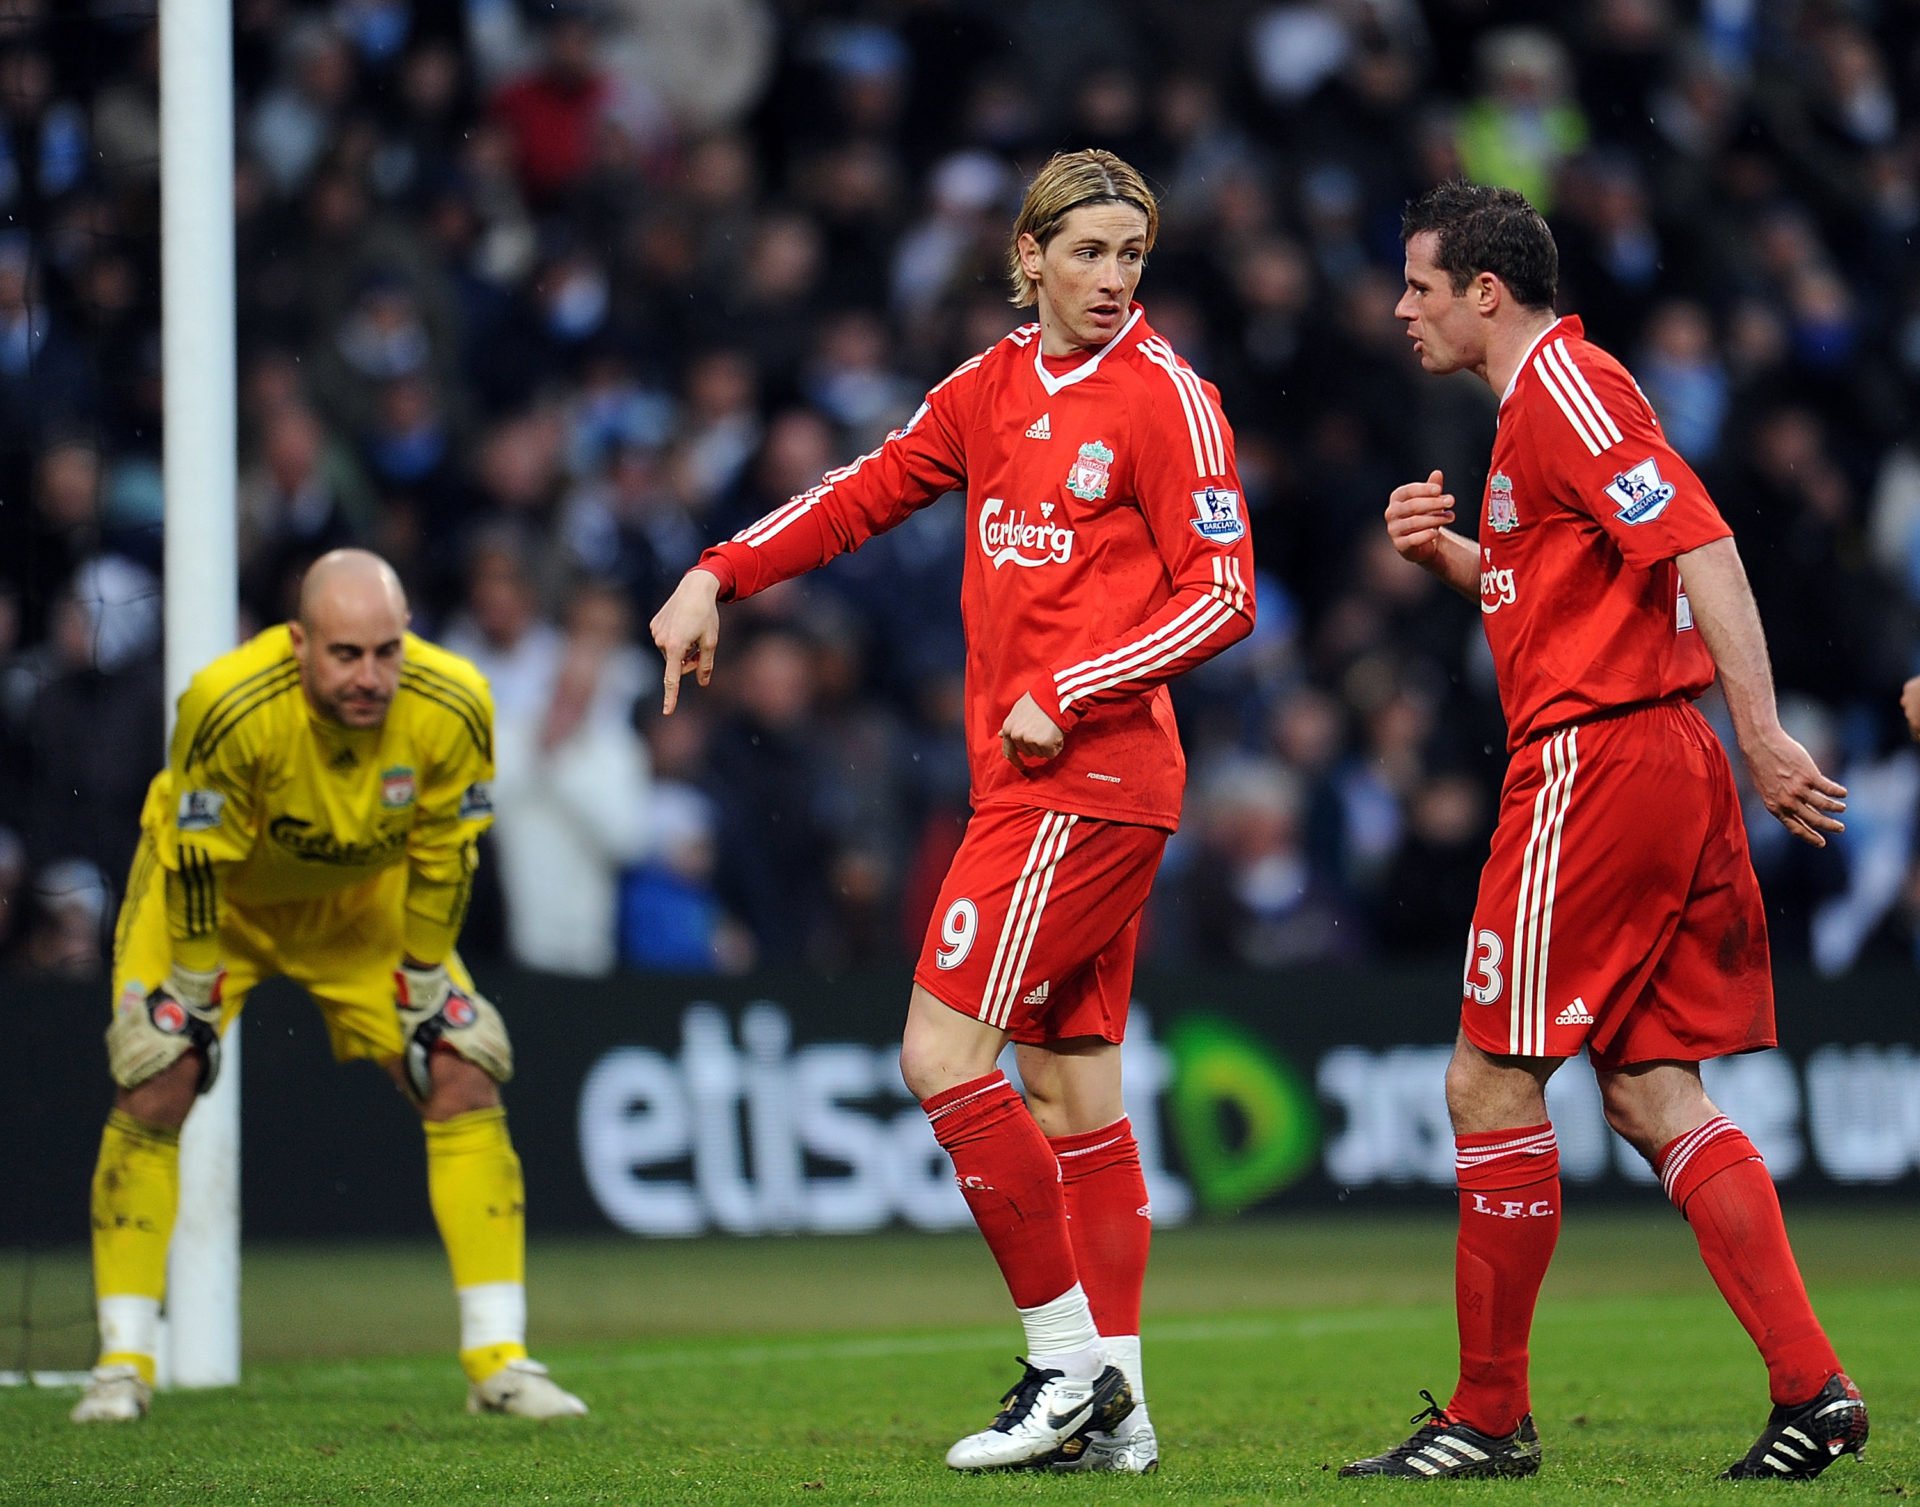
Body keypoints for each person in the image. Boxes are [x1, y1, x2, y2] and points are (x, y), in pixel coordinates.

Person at [650, 148, 1256, 1474]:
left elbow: (1224, 593)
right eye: (1088, 253)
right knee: (1070, 1085)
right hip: (1038, 783)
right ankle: (1122, 1403)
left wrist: (1076, 683)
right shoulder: (986, 391)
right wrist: (717, 573)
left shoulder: (1169, 398)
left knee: (941, 1055)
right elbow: (859, 493)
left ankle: (1060, 1366)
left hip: (1086, 783)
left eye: (1132, 256)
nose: (1112, 280)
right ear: (1027, 256)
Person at [1341, 182, 1865, 1482]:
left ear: (1486, 291)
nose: (1401, 307)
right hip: (1650, 753)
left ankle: (1488, 1412)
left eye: (1419, 284)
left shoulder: (1568, 392)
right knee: (1651, 1089)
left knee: (1487, 1080)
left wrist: (1763, 730)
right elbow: (1569, 585)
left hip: (1602, 760)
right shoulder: (1539, 411)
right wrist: (1453, 555)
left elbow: (1703, 545)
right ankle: (1816, 1391)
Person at [71, 548, 586, 1424]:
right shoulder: (226, 704)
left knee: (460, 1063)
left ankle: (500, 1359)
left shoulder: (455, 700)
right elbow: (195, 859)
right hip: (219, 906)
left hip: (362, 907)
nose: (370, 676)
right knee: (159, 1071)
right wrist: (192, 983)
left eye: (387, 651)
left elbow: (446, 853)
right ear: (298, 641)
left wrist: (424, 974)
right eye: (346, 654)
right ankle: (122, 1361)